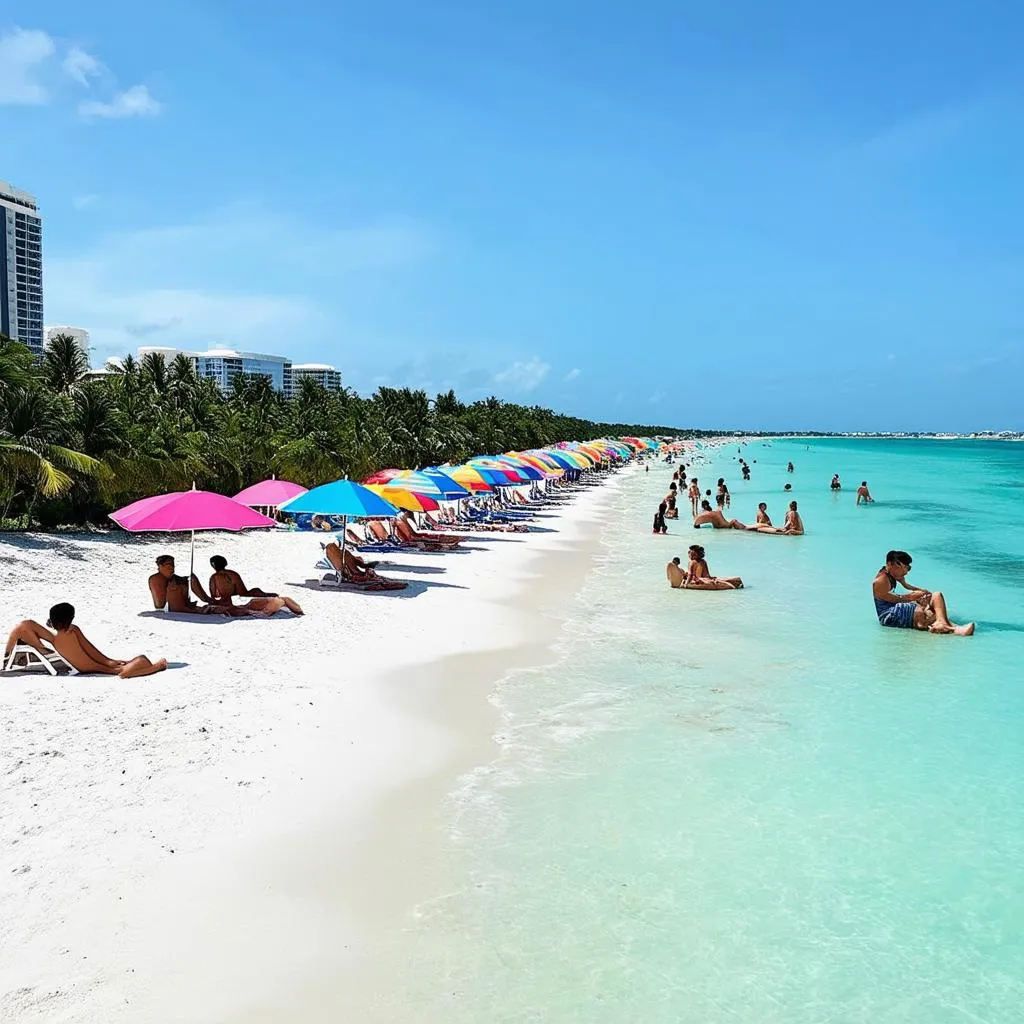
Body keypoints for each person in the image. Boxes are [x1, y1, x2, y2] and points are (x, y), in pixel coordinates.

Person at [5, 603, 167, 678]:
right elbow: (89, 650)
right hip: (87, 665)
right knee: (123, 668)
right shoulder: (72, 631)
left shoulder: (56, 638)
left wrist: (155, 667)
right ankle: (10, 657)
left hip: (83, 664)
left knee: (23, 626)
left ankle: (7, 657)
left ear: (54, 622)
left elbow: (122, 673)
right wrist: (109, 661)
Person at [872, 550, 974, 635]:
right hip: (888, 616)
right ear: (890, 564)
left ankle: (943, 624)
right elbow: (894, 599)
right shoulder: (881, 581)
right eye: (902, 567)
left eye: (908, 568)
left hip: (896, 608)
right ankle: (954, 628)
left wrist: (915, 590)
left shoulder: (891, 574)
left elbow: (905, 592)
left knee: (936, 596)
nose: (906, 571)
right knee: (920, 609)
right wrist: (913, 597)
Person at [208, 556, 304, 616]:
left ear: (213, 565)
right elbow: (243, 592)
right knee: (281, 599)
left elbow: (214, 596)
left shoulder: (214, 578)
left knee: (277, 601)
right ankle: (297, 611)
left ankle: (271, 597)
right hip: (242, 599)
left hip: (229, 603)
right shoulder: (233, 574)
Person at [149, 555, 235, 616]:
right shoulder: (156, 579)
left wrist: (189, 579)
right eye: (168, 566)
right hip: (175, 608)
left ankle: (209, 600)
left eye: (173, 566)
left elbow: (186, 580)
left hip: (185, 605)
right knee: (176, 586)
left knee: (191, 579)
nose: (172, 569)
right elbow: (160, 605)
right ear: (160, 566)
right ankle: (210, 604)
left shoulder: (173, 578)